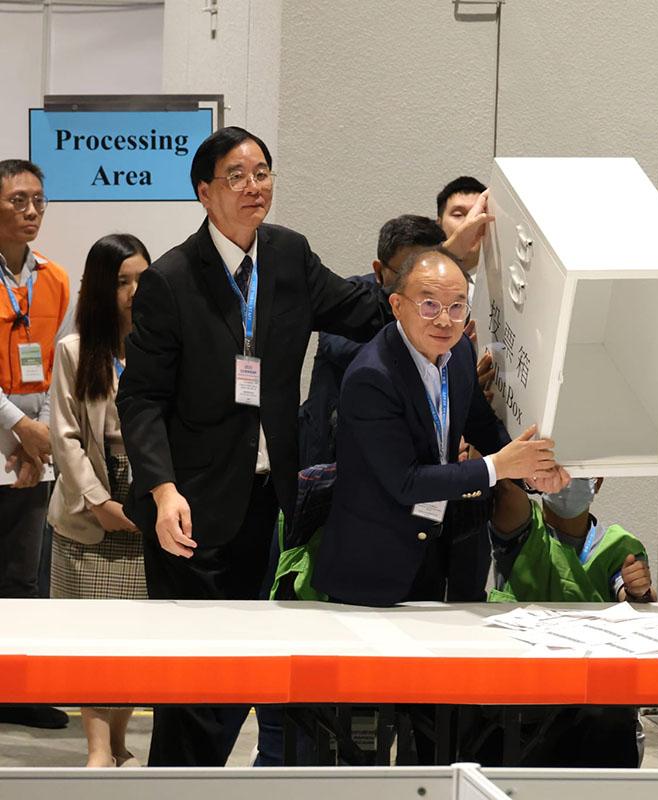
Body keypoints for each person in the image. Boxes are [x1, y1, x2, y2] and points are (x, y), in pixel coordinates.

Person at [116, 126, 488, 767]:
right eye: (237, 176)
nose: (254, 186)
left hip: (274, 501)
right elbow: (141, 398)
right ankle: (176, 784)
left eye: (262, 172)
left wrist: (443, 265)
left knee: (266, 671)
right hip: (194, 507)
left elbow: (367, 309)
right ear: (204, 191)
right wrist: (162, 488)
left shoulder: (287, 255)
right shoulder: (171, 280)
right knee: (199, 686)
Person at [313, 247, 567, 607]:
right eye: (429, 305)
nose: (445, 320)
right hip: (371, 565)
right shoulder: (372, 377)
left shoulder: (459, 352)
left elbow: (482, 424)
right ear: (397, 305)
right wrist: (499, 466)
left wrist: (530, 472)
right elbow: (406, 482)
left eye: (457, 306)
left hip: (432, 548)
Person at [456, 476, 651, 767]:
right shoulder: (525, 527)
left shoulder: (618, 544)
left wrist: (638, 589)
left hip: (589, 700)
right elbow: (506, 489)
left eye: (579, 472)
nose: (567, 480)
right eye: (558, 468)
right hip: (524, 694)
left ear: (597, 482)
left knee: (609, 717)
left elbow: (631, 593)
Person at [47, 233, 150, 766]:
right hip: (89, 508)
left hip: (144, 501)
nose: (133, 292)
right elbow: (64, 437)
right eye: (121, 281)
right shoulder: (75, 349)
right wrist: (97, 501)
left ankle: (119, 741)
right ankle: (96, 748)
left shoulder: (161, 345)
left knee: (132, 637)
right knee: (92, 638)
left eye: (141, 280)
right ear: (100, 288)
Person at [0, 158, 71, 731]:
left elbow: (51, 366)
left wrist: (38, 436)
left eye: (39, 201)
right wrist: (18, 427)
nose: (31, 211)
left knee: (24, 576)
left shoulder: (55, 279)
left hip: (31, 447)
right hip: (10, 429)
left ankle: (18, 691)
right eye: (18, 200)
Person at [298, 214, 447, 469]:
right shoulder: (351, 297)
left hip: (401, 457)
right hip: (331, 457)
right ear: (379, 270)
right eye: (407, 274)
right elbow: (344, 349)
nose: (420, 287)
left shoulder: (443, 314)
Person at [437, 176, 486, 280]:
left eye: (478, 214)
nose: (469, 222)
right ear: (439, 224)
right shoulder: (420, 268)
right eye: (458, 215)